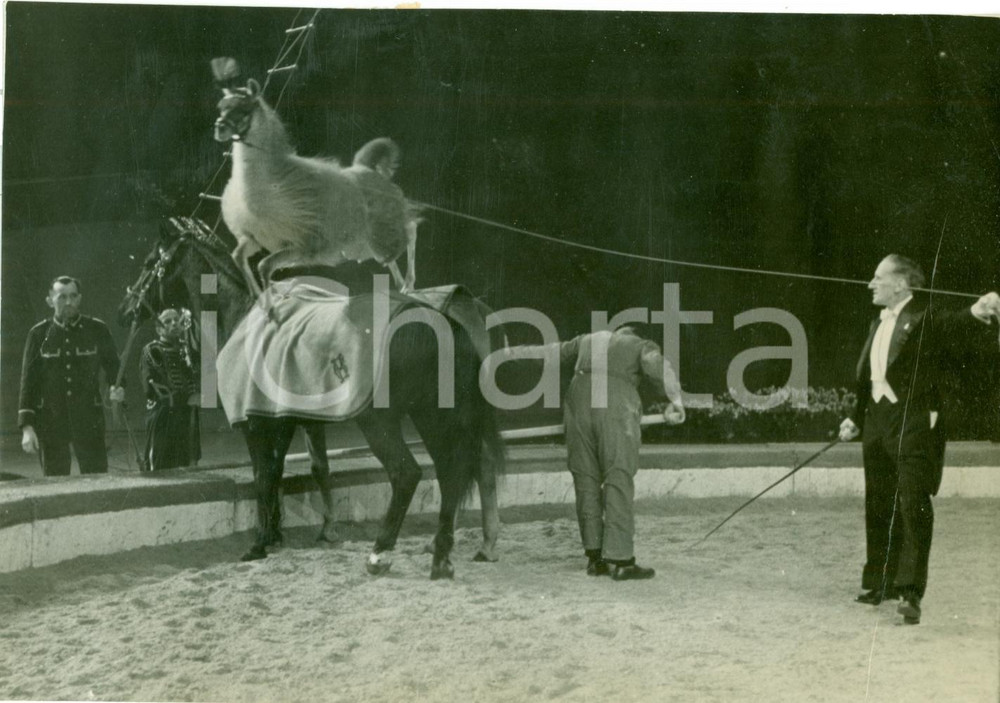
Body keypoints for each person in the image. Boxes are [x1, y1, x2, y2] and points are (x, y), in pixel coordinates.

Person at [838, 254, 999, 624]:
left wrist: (979, 308)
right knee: (878, 502)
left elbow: (953, 323)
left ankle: (910, 592)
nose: (870, 284)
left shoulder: (924, 318)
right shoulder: (876, 323)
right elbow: (869, 377)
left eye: (878, 278)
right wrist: (852, 418)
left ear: (901, 284)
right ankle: (880, 581)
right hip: (877, 422)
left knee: (912, 503)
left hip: (912, 422)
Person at [505, 324, 685, 580]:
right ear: (631, 333)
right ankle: (622, 561)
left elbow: (549, 352)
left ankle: (595, 558)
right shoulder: (638, 345)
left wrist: (510, 352)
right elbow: (657, 365)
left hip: (577, 400)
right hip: (615, 404)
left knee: (585, 478)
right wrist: (676, 401)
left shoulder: (587, 340)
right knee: (618, 476)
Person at [19, 276, 125, 476]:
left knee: (97, 480)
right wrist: (27, 427)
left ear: (79, 299)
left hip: (89, 419)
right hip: (51, 421)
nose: (68, 302)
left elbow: (115, 370)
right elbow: (28, 383)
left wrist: (118, 388)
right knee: (55, 481)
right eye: (62, 297)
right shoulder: (38, 334)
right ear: (50, 300)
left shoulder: (97, 329)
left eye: (73, 296)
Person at [140, 308, 201, 471]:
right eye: (167, 321)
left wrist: (197, 393)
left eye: (176, 320)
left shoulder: (188, 348)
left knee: (189, 462)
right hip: (163, 415)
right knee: (160, 464)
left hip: (187, 414)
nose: (174, 323)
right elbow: (152, 387)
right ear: (159, 329)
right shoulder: (152, 350)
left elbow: (199, 373)